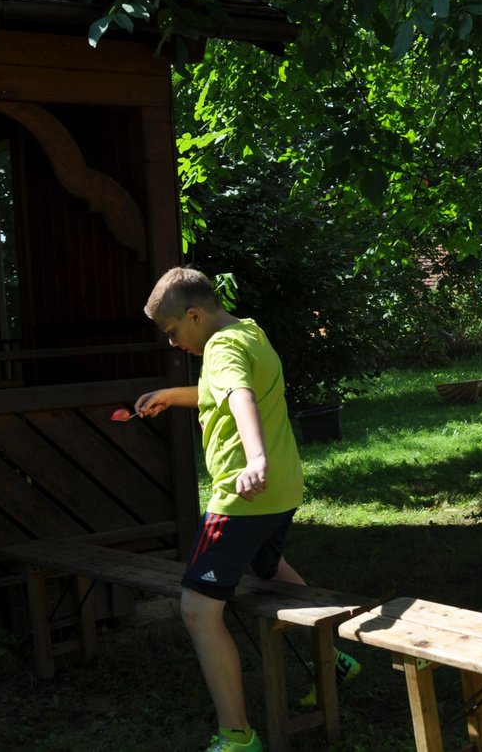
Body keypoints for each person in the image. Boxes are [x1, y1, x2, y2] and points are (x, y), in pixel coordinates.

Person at [133, 267, 359, 752]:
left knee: (197, 611)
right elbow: (223, 391)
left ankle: (237, 736)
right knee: (269, 568)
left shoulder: (220, 348)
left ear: (194, 315)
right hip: (282, 490)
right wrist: (171, 396)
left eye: (172, 331)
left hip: (243, 497)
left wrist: (254, 459)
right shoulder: (249, 332)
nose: (173, 343)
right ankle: (334, 657)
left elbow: (239, 396)